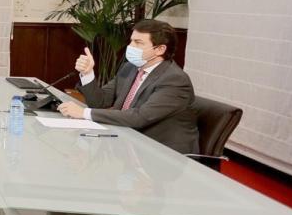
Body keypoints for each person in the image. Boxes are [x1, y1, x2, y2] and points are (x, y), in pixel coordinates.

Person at [57, 19, 199, 154]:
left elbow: (139, 117)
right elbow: (99, 102)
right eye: (131, 41)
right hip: (130, 144)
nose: (130, 47)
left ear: (160, 49)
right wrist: (87, 74)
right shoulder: (130, 68)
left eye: (138, 43)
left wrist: (83, 113)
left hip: (164, 154)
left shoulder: (174, 80)